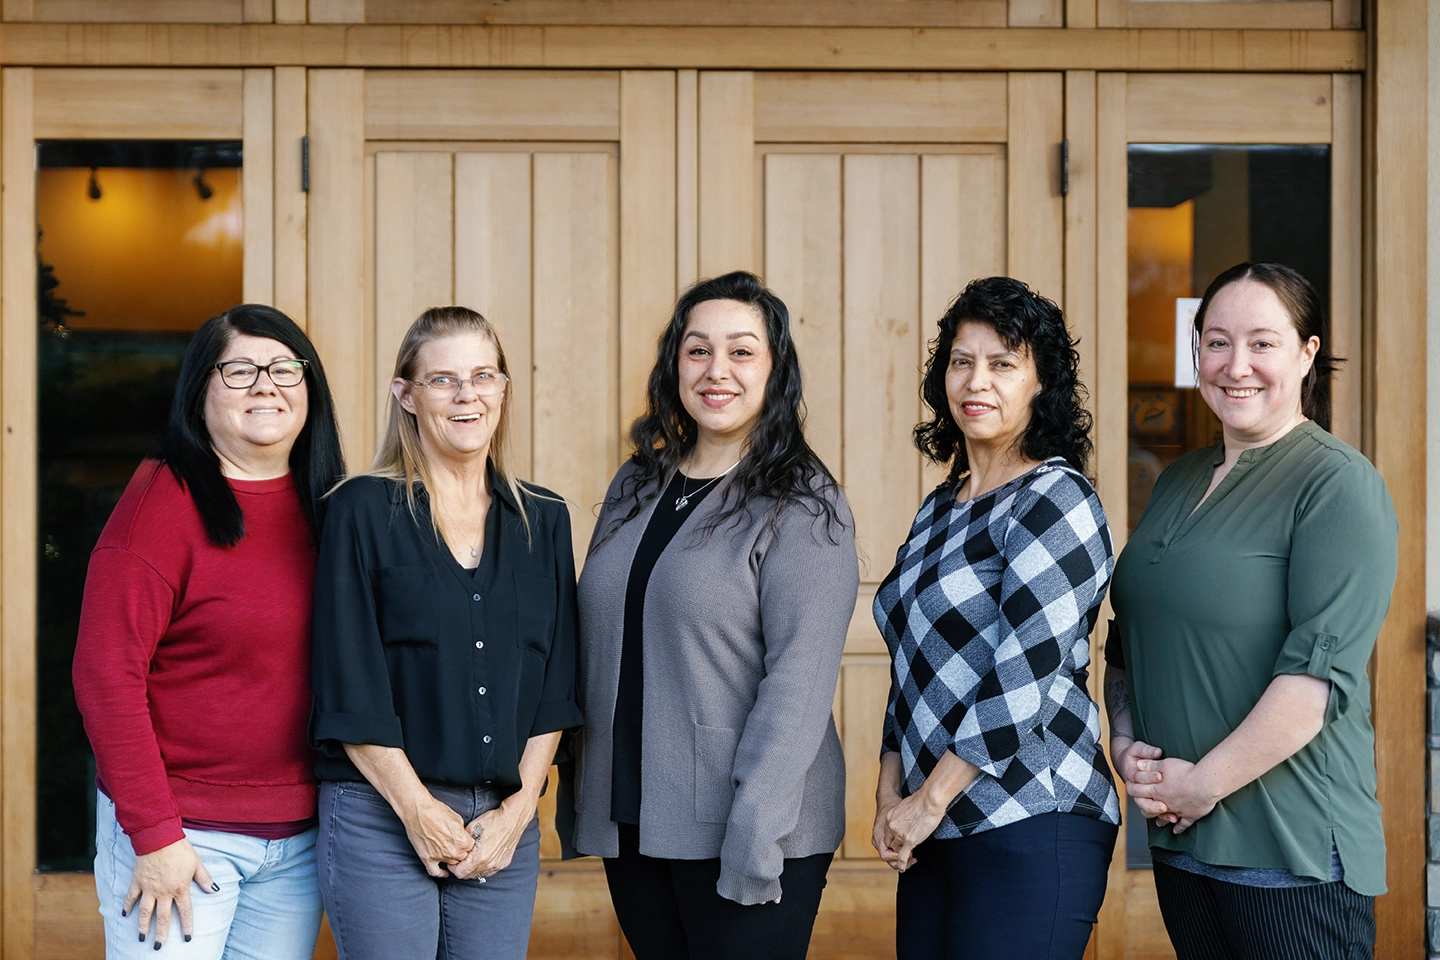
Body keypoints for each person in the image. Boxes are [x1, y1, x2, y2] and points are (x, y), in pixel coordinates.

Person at [1107, 262, 1397, 960]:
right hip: (1184, 836)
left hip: (1288, 849)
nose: (1236, 365)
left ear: (1307, 355)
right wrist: (1126, 749)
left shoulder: (1337, 484)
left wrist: (1200, 785)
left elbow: (1314, 684)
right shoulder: (1179, 478)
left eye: (1263, 342)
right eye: (1216, 341)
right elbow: (1129, 644)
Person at [568, 271, 859, 960]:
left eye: (741, 351)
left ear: (776, 369)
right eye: (697, 350)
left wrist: (755, 830)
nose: (716, 370)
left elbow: (799, 684)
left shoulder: (805, 504)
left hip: (749, 826)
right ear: (674, 364)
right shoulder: (638, 483)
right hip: (636, 818)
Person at [72, 304, 345, 957]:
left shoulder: (332, 507)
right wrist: (156, 834)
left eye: (284, 367)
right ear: (199, 392)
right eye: (240, 369)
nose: (266, 385)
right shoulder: (160, 507)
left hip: (298, 838)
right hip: (184, 837)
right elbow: (107, 678)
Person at [310, 306, 580, 960]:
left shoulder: (542, 519)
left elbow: (557, 685)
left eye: (483, 375)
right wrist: (417, 810)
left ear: (503, 388)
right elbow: (350, 684)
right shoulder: (358, 511)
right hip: (380, 810)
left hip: (501, 820)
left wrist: (516, 816)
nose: (467, 394)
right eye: (443, 380)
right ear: (406, 394)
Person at [872, 277, 1120, 960]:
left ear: (1042, 383)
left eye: (1002, 363)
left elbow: (1020, 682)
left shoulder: (1055, 499)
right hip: (938, 823)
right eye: (961, 361)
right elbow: (912, 660)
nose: (976, 381)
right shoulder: (938, 509)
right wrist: (889, 793)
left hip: (1031, 817)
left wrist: (926, 803)